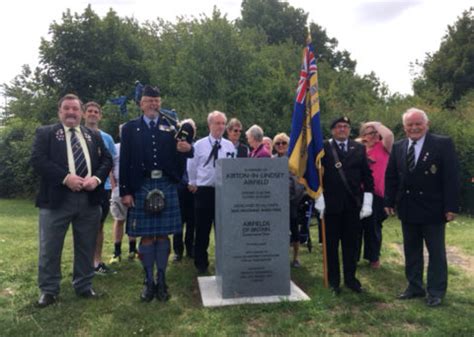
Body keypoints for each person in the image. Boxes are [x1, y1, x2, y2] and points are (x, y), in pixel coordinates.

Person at [31, 94, 113, 308]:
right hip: (56, 200)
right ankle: (49, 290)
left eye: (75, 109)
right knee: (50, 247)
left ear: (81, 112)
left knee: (86, 245)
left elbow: (107, 159)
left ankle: (84, 286)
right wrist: (66, 178)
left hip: (89, 200)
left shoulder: (92, 135)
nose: (71, 112)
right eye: (66, 108)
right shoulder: (46, 133)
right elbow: (38, 160)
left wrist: (96, 179)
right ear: (60, 112)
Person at [119, 85, 193, 302]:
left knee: (162, 235)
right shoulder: (130, 128)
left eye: (157, 100)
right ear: (141, 104)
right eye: (149, 100)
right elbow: (124, 162)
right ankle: (148, 280)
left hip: (166, 185)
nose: (153, 104)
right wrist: (125, 191)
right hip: (141, 185)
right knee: (146, 236)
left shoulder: (172, 126)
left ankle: (162, 279)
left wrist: (187, 149)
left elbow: (189, 150)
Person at [384, 108, 459, 307]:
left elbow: (451, 178)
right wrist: (389, 201)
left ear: (427, 124)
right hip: (408, 207)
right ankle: (414, 286)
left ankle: (435, 292)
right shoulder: (399, 147)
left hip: (433, 208)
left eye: (418, 123)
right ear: (404, 127)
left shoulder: (442, 144)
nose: (414, 127)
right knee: (411, 251)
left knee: (436, 253)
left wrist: (450, 206)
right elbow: (391, 176)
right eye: (410, 124)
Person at [314, 116, 374, 294]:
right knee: (331, 245)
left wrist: (368, 202)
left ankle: (351, 279)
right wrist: (318, 197)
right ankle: (334, 282)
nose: (342, 129)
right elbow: (314, 174)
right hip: (330, 205)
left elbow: (367, 177)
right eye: (338, 126)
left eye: (346, 126)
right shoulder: (322, 148)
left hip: (352, 205)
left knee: (351, 245)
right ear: (332, 130)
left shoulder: (359, 148)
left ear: (350, 130)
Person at [187, 111, 236, 274]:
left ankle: (225, 261)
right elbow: (192, 165)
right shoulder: (199, 145)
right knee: (202, 229)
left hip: (223, 191)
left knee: (223, 228)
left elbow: (232, 167)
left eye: (223, 123)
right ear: (210, 125)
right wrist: (192, 182)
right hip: (204, 191)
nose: (221, 126)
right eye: (217, 123)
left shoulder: (229, 146)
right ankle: (201, 262)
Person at [83, 101, 117, 275]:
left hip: (102, 188)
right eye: (90, 111)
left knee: (99, 226)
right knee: (81, 226)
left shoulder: (107, 138)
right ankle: (83, 263)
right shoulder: (75, 135)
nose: (93, 114)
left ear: (100, 116)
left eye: (96, 111)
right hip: (80, 187)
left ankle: (96, 262)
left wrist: (114, 183)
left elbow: (111, 162)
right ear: (84, 114)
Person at [356, 121, 394, 269]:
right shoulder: (358, 148)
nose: (374, 135)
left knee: (373, 227)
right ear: (363, 136)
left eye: (375, 132)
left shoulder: (384, 147)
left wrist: (375, 124)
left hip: (376, 194)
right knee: (356, 227)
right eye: (369, 133)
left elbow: (389, 135)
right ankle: (354, 256)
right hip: (357, 193)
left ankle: (373, 258)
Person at [109, 124, 137, 264]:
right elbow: (110, 168)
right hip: (119, 187)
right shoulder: (115, 147)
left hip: (135, 188)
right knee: (119, 219)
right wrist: (114, 187)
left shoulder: (137, 147)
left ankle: (133, 249)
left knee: (134, 220)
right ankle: (117, 251)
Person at [172, 119, 197, 262]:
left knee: (192, 221)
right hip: (179, 188)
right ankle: (178, 251)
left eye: (191, 129)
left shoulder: (196, 147)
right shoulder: (175, 146)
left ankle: (190, 248)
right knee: (178, 222)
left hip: (193, 189)